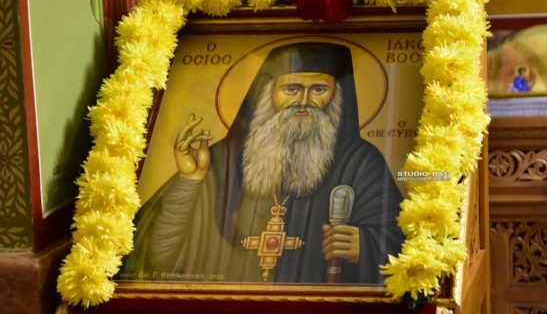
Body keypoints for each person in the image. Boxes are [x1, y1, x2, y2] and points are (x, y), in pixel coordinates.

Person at [121, 42, 404, 284]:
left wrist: (365, 245)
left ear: (336, 96)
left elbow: (402, 248)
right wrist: (190, 181)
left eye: (319, 89)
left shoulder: (361, 161)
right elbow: (152, 254)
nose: (304, 101)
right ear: (268, 93)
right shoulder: (222, 158)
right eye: (291, 89)